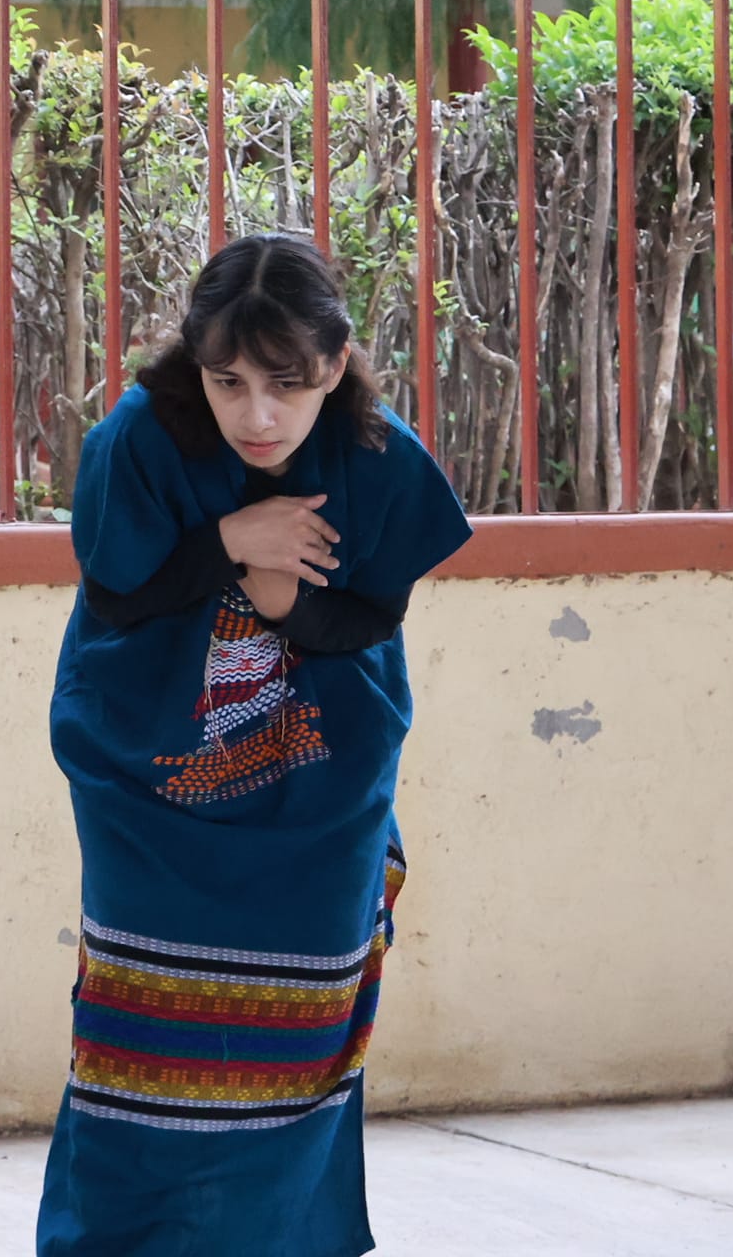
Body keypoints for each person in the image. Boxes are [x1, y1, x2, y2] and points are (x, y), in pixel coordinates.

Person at [36, 232, 471, 1257]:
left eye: (286, 384)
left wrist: (284, 605)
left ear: (334, 362)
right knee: (140, 1042)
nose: (256, 415)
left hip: (319, 804)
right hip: (152, 798)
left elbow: (372, 616)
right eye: (227, 381)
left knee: (300, 1042)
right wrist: (231, 543)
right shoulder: (138, 438)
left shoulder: (377, 455)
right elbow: (117, 594)